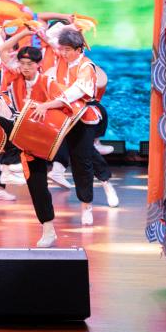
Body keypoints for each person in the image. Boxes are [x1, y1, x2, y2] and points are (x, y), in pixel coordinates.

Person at [33, 24, 119, 225]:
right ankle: (106, 181)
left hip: (85, 115)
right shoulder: (63, 57)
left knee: (81, 161)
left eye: (67, 50)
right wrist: (69, 24)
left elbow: (74, 93)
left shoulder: (86, 66)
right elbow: (51, 36)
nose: (63, 53)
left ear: (79, 49)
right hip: (66, 115)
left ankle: (86, 205)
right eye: (61, 49)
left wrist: (48, 104)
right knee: (86, 154)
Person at [0, 43, 62, 247]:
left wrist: (45, 105)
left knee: (38, 187)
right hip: (18, 132)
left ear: (38, 64)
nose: (25, 67)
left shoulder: (47, 82)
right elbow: (2, 51)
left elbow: (64, 101)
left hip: (38, 138)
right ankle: (10, 164)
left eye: (29, 64)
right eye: (22, 63)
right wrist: (20, 31)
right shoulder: (14, 77)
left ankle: (48, 230)